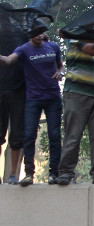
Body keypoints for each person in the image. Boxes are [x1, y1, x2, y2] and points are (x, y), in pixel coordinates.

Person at [0, 22, 64, 186]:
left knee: (55, 136)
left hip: (53, 97)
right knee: (29, 136)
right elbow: (8, 60)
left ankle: (54, 173)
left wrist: (60, 72)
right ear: (30, 34)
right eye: (35, 32)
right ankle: (28, 174)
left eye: (41, 31)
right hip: (33, 98)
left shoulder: (53, 46)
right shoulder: (24, 49)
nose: (39, 35)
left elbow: (60, 64)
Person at [57, 39, 94, 185]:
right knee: (73, 135)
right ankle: (66, 172)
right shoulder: (76, 35)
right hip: (76, 92)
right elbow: (92, 49)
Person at [0, 7, 28, 185]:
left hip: (19, 90)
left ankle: (12, 174)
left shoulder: (23, 36)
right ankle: (7, 175)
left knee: (17, 136)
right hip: (3, 90)